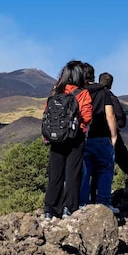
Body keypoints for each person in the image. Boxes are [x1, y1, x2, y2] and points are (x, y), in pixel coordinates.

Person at [43, 61, 93, 219]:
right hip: (75, 138)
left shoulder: (55, 91)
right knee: (72, 173)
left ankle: (50, 210)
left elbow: (47, 113)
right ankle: (68, 208)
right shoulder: (83, 93)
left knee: (55, 174)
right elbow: (87, 117)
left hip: (56, 138)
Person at [98, 72, 128, 198]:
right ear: (111, 85)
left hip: (93, 136)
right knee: (126, 163)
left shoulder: (92, 95)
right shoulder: (111, 97)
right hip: (111, 136)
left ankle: (93, 195)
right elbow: (121, 120)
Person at [79, 64, 118, 212]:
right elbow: (110, 115)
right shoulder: (103, 91)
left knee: (85, 171)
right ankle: (104, 204)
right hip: (102, 135)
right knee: (105, 170)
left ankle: (82, 203)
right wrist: (113, 135)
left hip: (84, 136)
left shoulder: (80, 91)